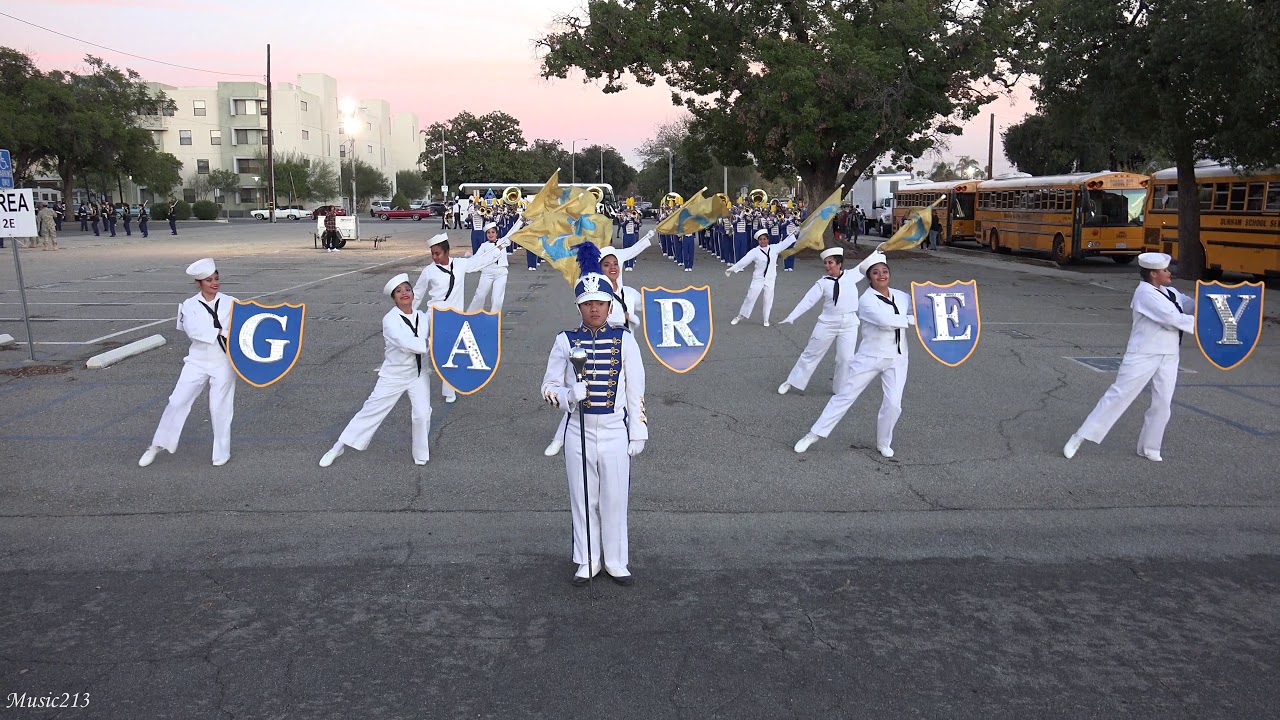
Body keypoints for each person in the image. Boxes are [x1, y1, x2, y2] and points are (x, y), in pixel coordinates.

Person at [541, 243, 648, 586]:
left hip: (616, 428)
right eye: (587, 304)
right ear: (579, 307)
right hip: (578, 431)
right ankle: (587, 558)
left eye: (599, 303)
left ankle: (616, 560)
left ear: (608, 304)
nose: (594, 309)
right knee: (583, 498)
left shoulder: (624, 340)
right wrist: (568, 395)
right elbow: (547, 388)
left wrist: (639, 431)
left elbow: (636, 389)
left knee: (615, 498)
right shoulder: (564, 340)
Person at [1063, 252, 1196, 462]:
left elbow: (1190, 305)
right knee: (1118, 396)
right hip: (1143, 354)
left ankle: (1150, 447)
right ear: (1153, 274)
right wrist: (1203, 325)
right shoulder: (1144, 293)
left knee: (1163, 403)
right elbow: (1172, 319)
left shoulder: (1170, 292)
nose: (1169, 273)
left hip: (1169, 355)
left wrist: (1213, 302)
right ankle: (1079, 437)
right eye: (1164, 270)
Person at [794, 255, 913, 457]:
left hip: (898, 358)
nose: (881, 275)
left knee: (894, 404)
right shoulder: (865, 300)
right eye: (876, 272)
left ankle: (883, 442)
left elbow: (925, 309)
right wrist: (912, 319)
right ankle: (813, 434)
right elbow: (885, 321)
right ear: (869, 278)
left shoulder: (902, 296)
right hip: (869, 358)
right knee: (844, 397)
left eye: (884, 271)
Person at [319, 273, 433, 468]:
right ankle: (338, 447)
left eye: (407, 289)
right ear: (394, 298)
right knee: (371, 411)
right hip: (394, 375)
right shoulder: (390, 320)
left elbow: (445, 321)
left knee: (422, 414)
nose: (404, 293)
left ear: (413, 293)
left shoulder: (422, 317)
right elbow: (405, 343)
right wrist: (431, 343)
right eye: (399, 291)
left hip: (418, 374)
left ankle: (421, 455)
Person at [138, 259, 237, 468]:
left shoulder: (232, 302)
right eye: (208, 280)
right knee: (177, 401)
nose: (214, 283)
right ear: (198, 283)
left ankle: (221, 452)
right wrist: (221, 331)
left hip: (224, 361)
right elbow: (193, 331)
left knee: (220, 407)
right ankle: (157, 445)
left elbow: (244, 328)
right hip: (197, 361)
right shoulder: (189, 305)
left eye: (216, 278)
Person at [778, 247, 887, 395]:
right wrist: (792, 316)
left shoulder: (852, 275)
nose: (827, 266)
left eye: (830, 262)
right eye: (825, 263)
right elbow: (807, 301)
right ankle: (792, 382)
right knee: (811, 353)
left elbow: (866, 263)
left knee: (846, 359)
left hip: (849, 323)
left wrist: (878, 251)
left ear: (839, 264)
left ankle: (840, 389)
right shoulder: (822, 283)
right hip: (827, 323)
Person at [412, 233, 505, 403]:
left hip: (454, 318)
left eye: (437, 253)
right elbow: (417, 295)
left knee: (448, 355)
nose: (434, 257)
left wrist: (497, 250)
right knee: (420, 347)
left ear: (447, 252)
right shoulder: (429, 271)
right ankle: (417, 380)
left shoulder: (460, 265)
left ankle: (449, 390)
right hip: (434, 314)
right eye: (432, 253)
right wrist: (407, 315)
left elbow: (479, 262)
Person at [725, 228, 798, 327]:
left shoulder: (775, 248)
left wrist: (794, 233)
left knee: (768, 299)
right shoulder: (755, 251)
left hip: (770, 278)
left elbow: (786, 242)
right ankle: (739, 317)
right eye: (760, 239)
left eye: (764, 239)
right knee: (750, 298)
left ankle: (766, 319)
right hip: (758, 278)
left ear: (768, 239)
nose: (763, 241)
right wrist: (732, 269)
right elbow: (744, 261)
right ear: (758, 241)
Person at [468, 219, 525, 313]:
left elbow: (512, 231)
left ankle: (494, 316)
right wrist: (470, 258)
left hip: (501, 273)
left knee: (497, 297)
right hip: (487, 272)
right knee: (480, 295)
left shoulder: (503, 241)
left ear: (496, 233)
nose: (491, 235)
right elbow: (476, 259)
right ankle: (472, 314)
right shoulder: (483, 246)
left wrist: (521, 220)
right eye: (488, 233)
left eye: (493, 232)